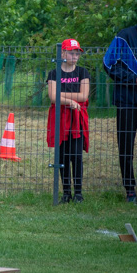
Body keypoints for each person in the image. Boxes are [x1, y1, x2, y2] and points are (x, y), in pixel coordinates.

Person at [46, 39, 90, 203]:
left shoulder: (82, 73)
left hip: (77, 118)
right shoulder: (54, 73)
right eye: (72, 53)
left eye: (77, 53)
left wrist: (62, 97)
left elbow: (83, 96)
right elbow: (52, 97)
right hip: (60, 119)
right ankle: (66, 193)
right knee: (63, 156)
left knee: (76, 156)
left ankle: (78, 193)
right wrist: (71, 101)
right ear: (62, 53)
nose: (75, 56)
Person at [103, 19, 137, 203]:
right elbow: (108, 64)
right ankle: (130, 189)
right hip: (127, 101)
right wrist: (135, 79)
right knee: (126, 147)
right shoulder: (124, 36)